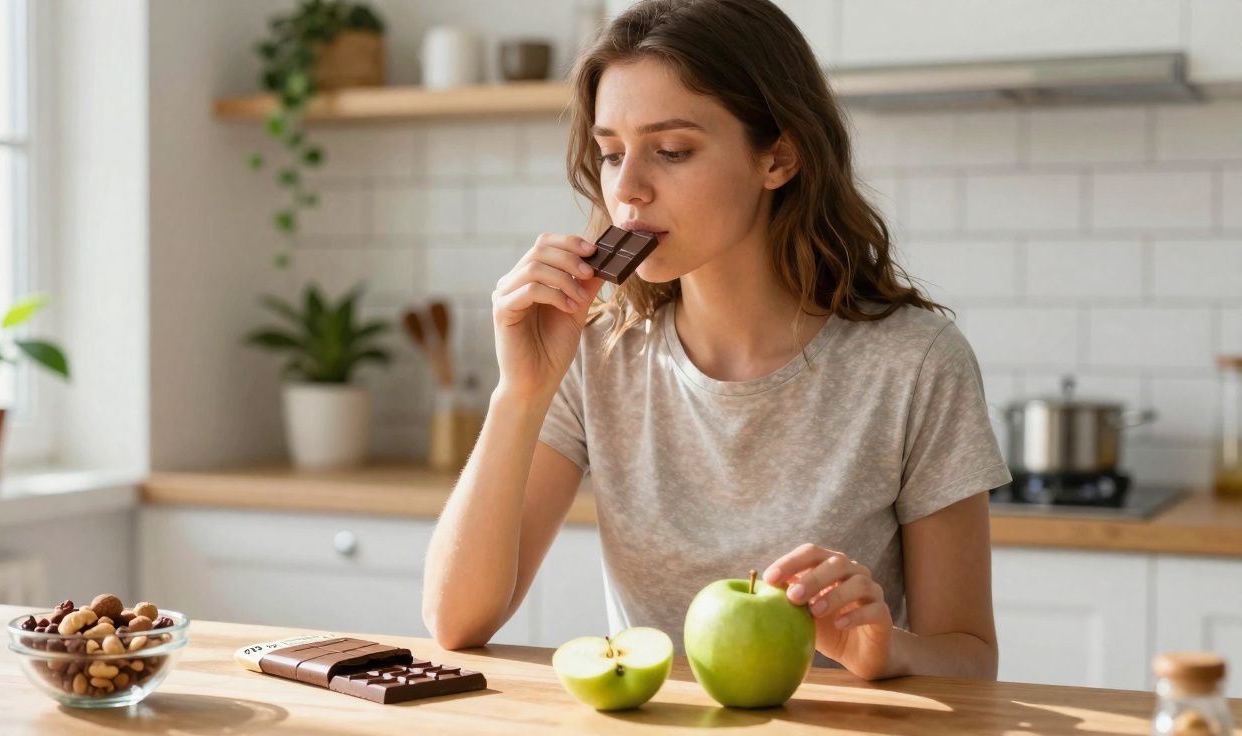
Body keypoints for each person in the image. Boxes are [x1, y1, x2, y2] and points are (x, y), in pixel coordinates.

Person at [422, 0, 1009, 681]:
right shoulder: (598, 354)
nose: (629, 191)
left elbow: (970, 659)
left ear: (778, 157)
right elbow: (456, 621)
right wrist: (518, 392)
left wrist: (885, 649)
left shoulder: (915, 364)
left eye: (672, 151)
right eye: (611, 153)